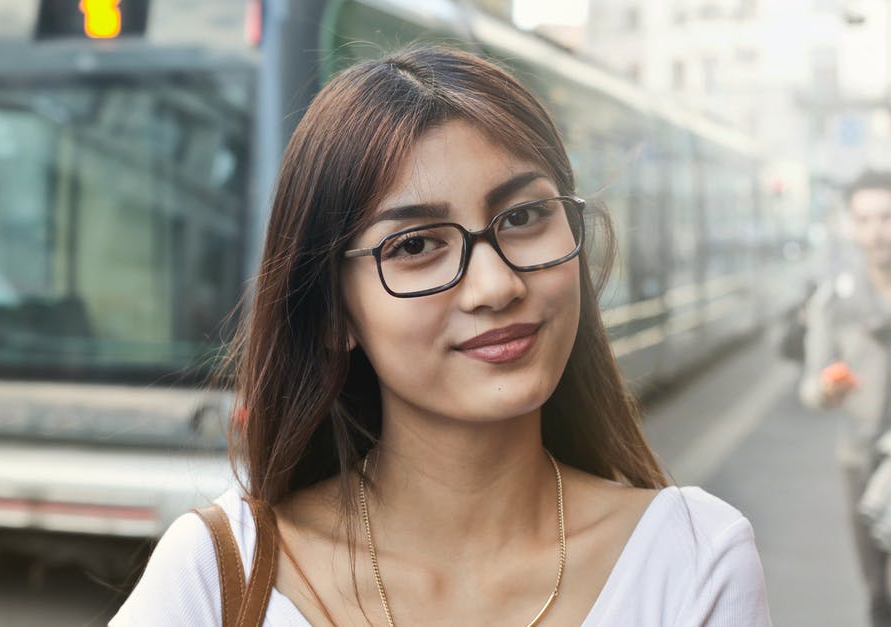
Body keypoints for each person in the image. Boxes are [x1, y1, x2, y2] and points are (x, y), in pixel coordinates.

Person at [112, 46, 770, 626]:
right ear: (334, 313)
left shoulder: (694, 557)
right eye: (417, 244)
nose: (495, 284)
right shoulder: (223, 572)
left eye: (524, 216)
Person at [799, 170, 891, 627]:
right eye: (866, 219)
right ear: (853, 226)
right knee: (877, 590)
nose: (877, 231)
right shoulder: (834, 300)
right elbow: (811, 386)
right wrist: (826, 391)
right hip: (861, 458)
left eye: (887, 217)